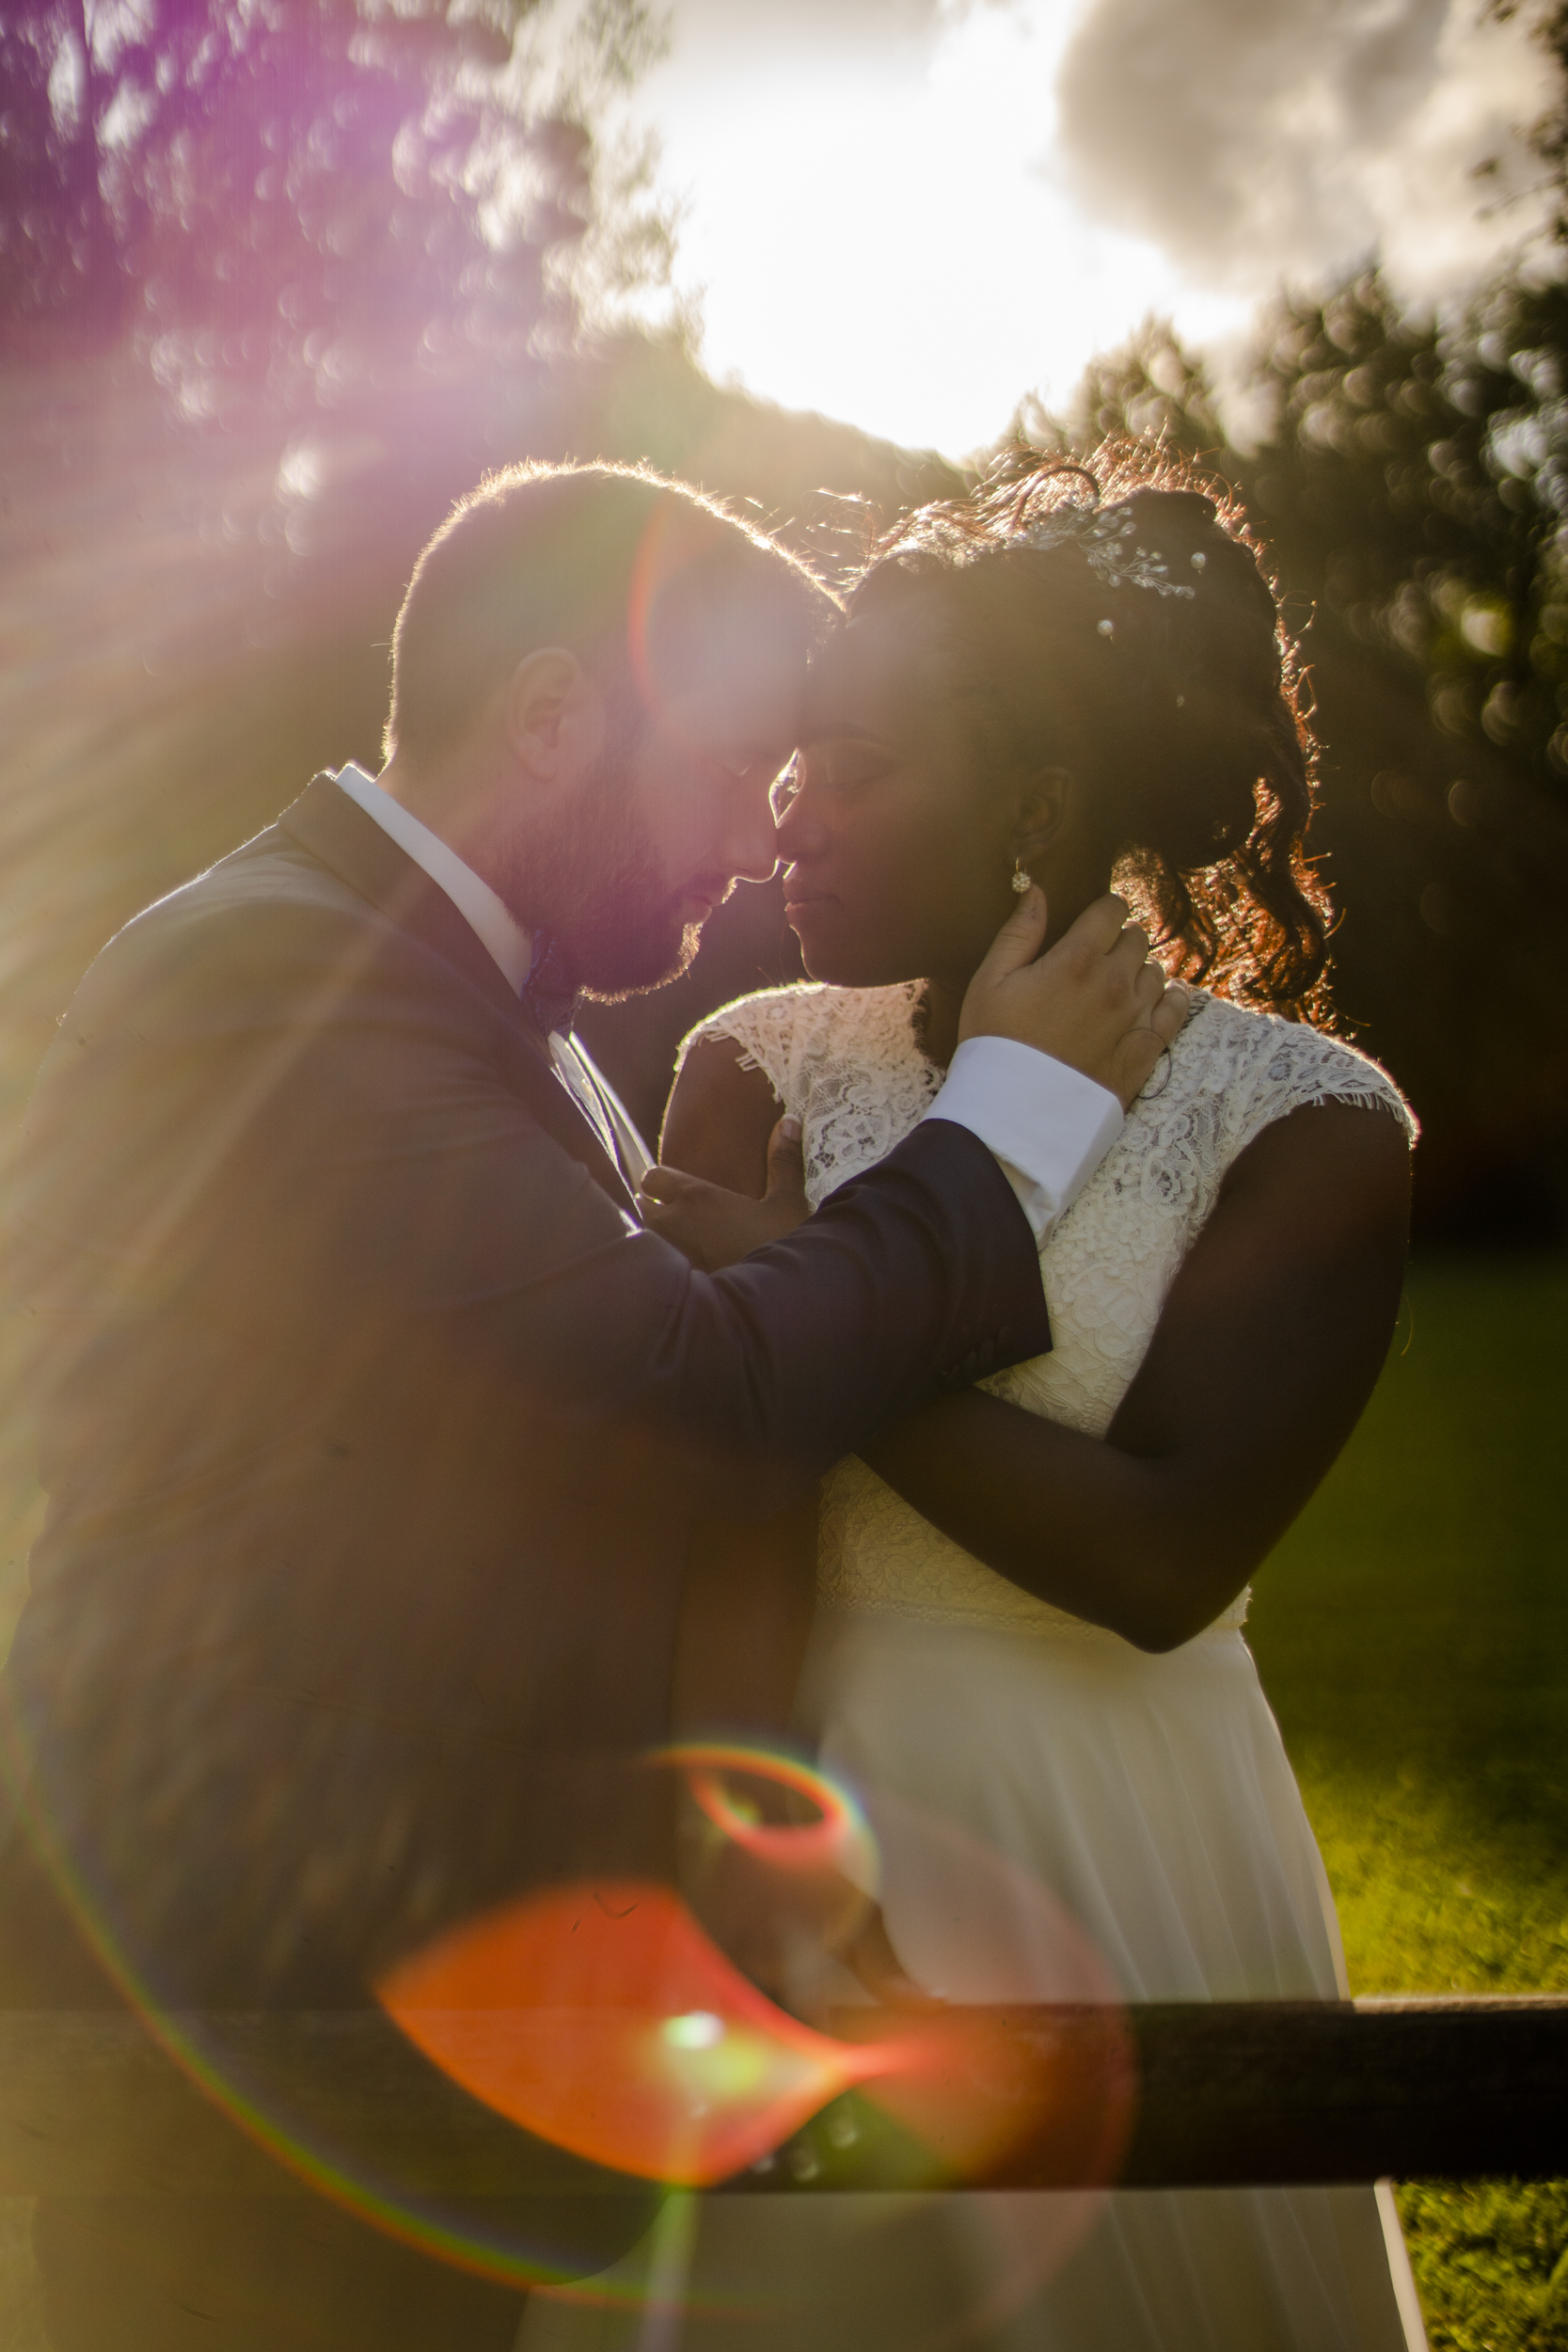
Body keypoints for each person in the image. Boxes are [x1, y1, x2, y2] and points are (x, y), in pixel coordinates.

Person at [0, 458, 1182, 2352]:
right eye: (728, 771)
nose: (756, 838)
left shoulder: (487, 1008)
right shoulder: (276, 978)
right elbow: (688, 1389)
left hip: (414, 2025)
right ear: (556, 716)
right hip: (244, 2045)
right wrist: (1014, 1119)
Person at [613, 453, 1428, 2349]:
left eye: (858, 763)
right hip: (820, 1822)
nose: (790, 813)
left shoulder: (1308, 1123)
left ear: (1033, 803)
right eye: (792, 760)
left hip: (1134, 1837)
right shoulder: (747, 1071)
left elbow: (1163, 1554)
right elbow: (720, 1498)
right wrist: (758, 1875)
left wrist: (783, 1287)